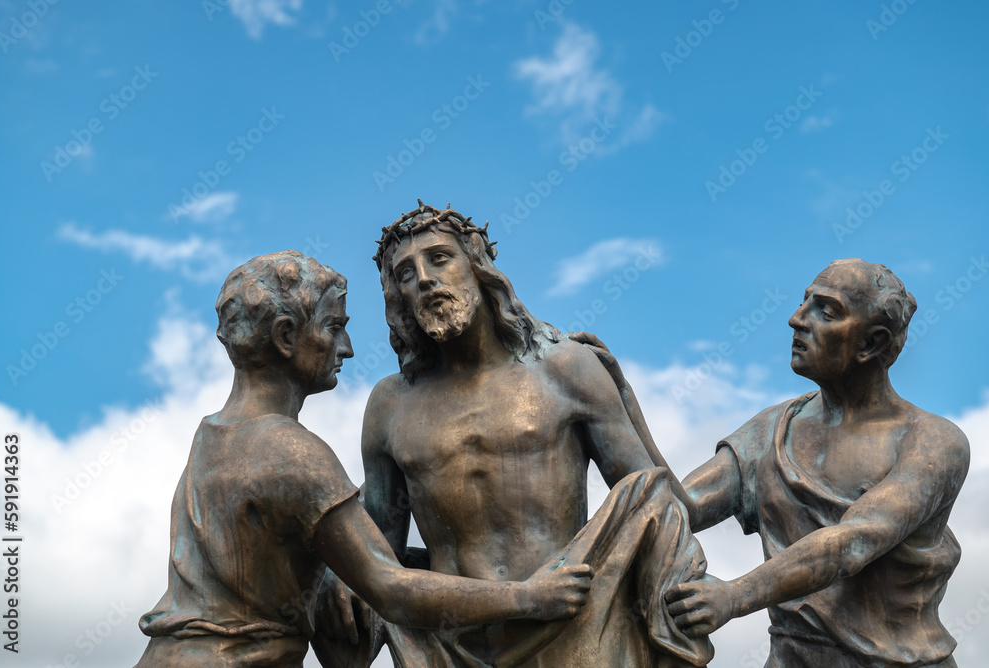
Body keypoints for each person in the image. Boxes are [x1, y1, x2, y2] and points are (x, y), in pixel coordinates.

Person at [134, 251, 594, 668]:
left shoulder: (211, 437)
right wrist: (528, 597)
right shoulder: (291, 452)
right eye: (334, 326)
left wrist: (337, 570)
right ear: (286, 335)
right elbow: (391, 589)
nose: (348, 347)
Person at [339, 202, 712, 667]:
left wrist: (627, 402)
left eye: (439, 258)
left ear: (477, 267)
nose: (425, 279)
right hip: (448, 643)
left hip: (570, 625)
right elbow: (376, 550)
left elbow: (654, 500)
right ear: (398, 298)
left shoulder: (566, 368)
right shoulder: (389, 404)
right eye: (406, 274)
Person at [658, 259, 968, 667]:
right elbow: (677, 507)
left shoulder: (932, 441)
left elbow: (852, 543)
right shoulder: (771, 429)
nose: (796, 320)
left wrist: (734, 595)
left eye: (826, 311)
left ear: (871, 343)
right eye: (804, 303)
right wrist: (614, 410)